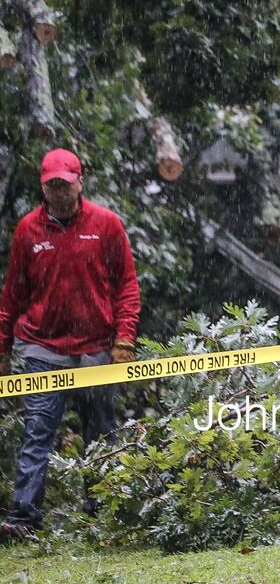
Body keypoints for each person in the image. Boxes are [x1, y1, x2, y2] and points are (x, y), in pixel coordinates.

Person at [0, 149, 140, 539]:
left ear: (80, 182)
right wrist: (3, 348)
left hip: (94, 347)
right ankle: (24, 519)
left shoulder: (106, 224)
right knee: (37, 433)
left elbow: (126, 285)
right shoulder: (28, 230)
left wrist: (125, 337)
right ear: (43, 187)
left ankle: (101, 512)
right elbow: (12, 294)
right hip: (42, 348)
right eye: (52, 186)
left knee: (101, 433)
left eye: (65, 184)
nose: (59, 192)